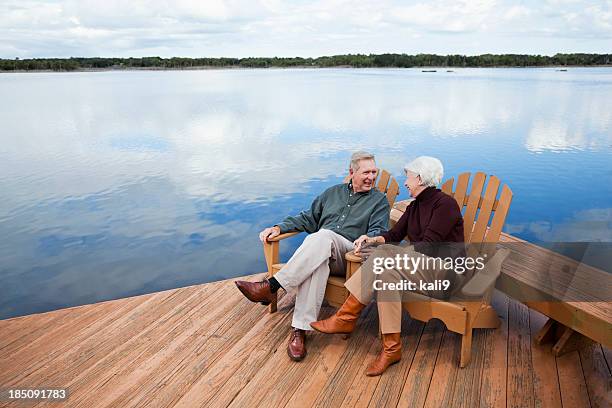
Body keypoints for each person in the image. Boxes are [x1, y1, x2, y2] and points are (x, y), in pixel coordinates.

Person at [311, 156, 465, 376]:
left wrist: (388, 253)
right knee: (386, 276)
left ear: (420, 179)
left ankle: (346, 316)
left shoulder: (445, 205)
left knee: (383, 258)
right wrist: (371, 239)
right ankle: (391, 348)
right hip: (421, 269)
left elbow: (428, 246)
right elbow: (393, 235)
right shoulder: (414, 207)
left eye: (409, 178)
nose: (405, 183)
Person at [234, 151, 391, 361]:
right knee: (318, 261)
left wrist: (368, 238)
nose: (371, 177)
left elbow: (379, 231)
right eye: (366, 172)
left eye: (374, 172)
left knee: (322, 236)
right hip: (321, 253)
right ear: (352, 172)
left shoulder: (378, 201)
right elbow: (308, 218)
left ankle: (272, 286)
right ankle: (299, 330)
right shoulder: (332, 193)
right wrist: (279, 227)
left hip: (350, 256)